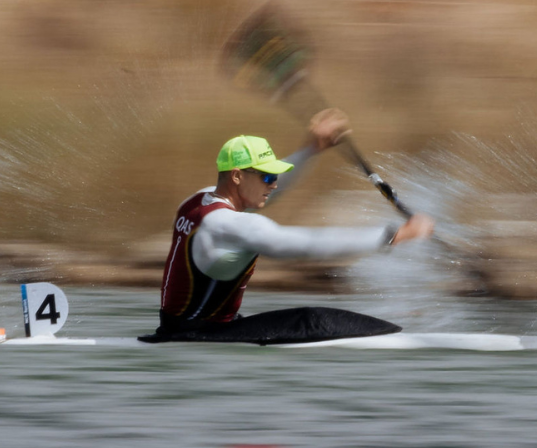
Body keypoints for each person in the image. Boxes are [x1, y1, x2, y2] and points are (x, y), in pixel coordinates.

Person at [140, 109, 434, 345]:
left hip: (179, 328)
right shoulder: (232, 226)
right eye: (267, 177)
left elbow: (270, 192)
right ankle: (411, 341)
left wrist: (310, 149)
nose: (275, 184)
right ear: (238, 177)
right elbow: (304, 244)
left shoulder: (198, 201)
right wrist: (394, 235)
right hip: (198, 337)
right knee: (314, 319)